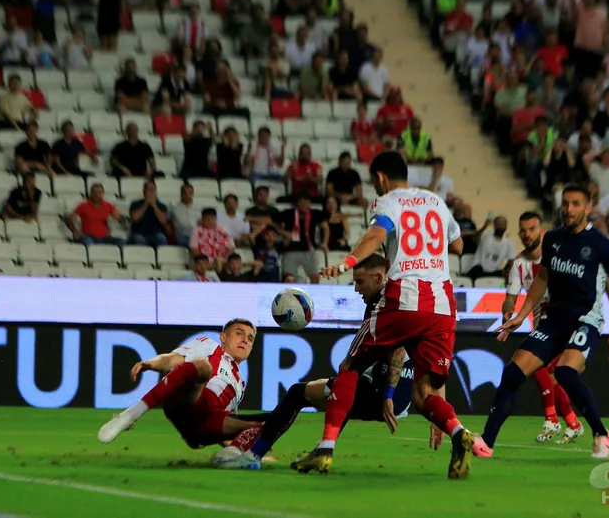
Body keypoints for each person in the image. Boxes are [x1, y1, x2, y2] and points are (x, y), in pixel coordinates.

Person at [290, 151, 475, 479]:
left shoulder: (388, 202)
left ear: (379, 178)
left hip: (404, 299)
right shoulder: (436, 202)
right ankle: (460, 434)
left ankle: (326, 449)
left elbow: (376, 236)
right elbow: (459, 246)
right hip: (443, 308)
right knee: (423, 394)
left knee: (350, 367)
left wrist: (347, 262)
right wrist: (426, 250)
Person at [213, 254, 418, 469]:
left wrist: (388, 395)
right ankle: (321, 449)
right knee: (342, 394)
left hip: (380, 393)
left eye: (360, 282)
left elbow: (398, 349)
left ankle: (252, 456)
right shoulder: (401, 299)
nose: (356, 288)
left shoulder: (382, 306)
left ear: (378, 278)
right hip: (401, 396)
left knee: (301, 393)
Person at [480, 184, 609, 460]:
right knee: (512, 372)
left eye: (575, 204)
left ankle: (600, 433)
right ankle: (486, 443)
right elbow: (542, 279)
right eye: (565, 204)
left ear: (588, 207)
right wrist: (521, 315)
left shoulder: (602, 245)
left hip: (586, 319)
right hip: (554, 319)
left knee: (565, 372)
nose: (569, 209)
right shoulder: (553, 239)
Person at [97, 319, 262, 449]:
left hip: (199, 430)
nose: (245, 340)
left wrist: (239, 448)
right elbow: (170, 359)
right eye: (239, 333)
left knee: (263, 424)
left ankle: (245, 455)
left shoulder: (241, 384)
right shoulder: (210, 346)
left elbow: (223, 423)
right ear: (223, 337)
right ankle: (130, 415)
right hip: (185, 402)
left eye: (250, 338)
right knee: (203, 367)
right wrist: (151, 363)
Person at [502, 212, 583, 444]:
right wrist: (507, 311)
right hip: (541, 325)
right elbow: (510, 297)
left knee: (541, 367)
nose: (527, 235)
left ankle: (553, 419)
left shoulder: (559, 255)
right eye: (523, 231)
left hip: (565, 322)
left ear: (541, 230)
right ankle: (572, 423)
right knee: (550, 374)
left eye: (532, 229)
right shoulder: (519, 264)